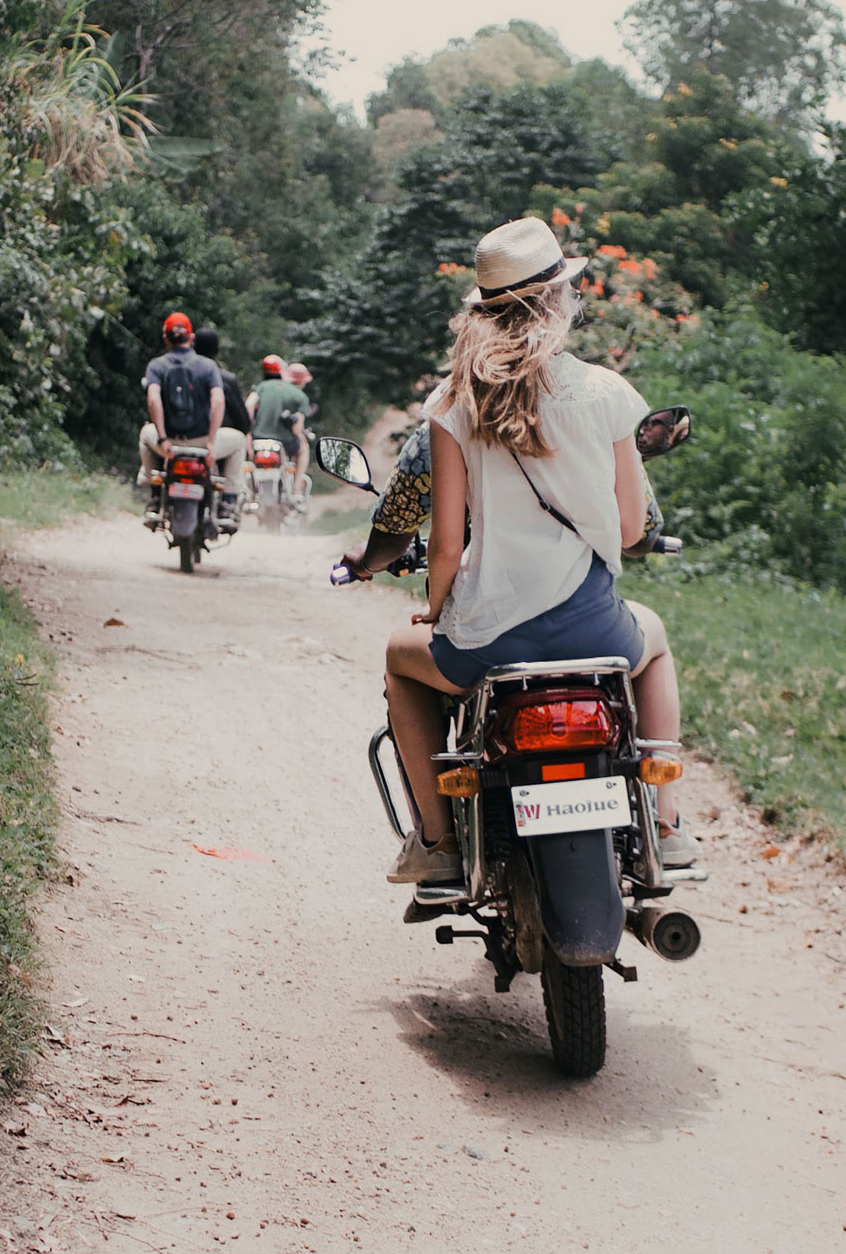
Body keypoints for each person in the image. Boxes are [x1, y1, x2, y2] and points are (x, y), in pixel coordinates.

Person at [380, 217, 697, 885]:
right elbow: (634, 526)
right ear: (561, 298)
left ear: (484, 313)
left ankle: (437, 840)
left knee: (397, 658)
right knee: (657, 638)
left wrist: (434, 608)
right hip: (595, 627)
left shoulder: (452, 405)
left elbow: (443, 543)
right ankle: (666, 828)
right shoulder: (609, 393)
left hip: (490, 642)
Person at [137, 311, 224, 528]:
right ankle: (229, 501)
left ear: (165, 337)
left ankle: (155, 492)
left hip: (168, 445)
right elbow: (218, 401)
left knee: (146, 433)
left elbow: (153, 399)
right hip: (202, 442)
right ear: (191, 338)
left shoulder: (156, 365)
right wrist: (211, 442)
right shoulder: (208, 366)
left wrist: (164, 438)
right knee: (239, 441)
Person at [193, 327, 252, 526]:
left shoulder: (179, 372)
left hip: (177, 439)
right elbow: (242, 421)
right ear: (217, 350)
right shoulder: (226, 379)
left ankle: (156, 497)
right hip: (215, 443)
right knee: (238, 441)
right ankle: (228, 502)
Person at [245, 354, 311, 500]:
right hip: (284, 442)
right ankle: (296, 490)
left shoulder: (262, 387)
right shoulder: (299, 396)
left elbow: (249, 405)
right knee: (304, 448)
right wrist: (300, 435)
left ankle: (249, 492)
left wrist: (248, 431)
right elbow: (296, 429)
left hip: (259, 440)